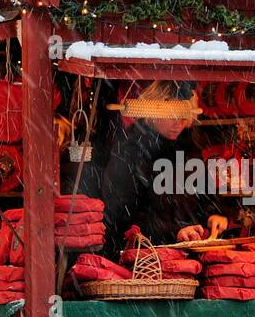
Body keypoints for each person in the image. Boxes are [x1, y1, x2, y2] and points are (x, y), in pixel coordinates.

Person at [79, 81, 229, 257]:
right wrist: (174, 232)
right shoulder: (130, 151)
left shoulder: (188, 149)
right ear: (152, 111)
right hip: (142, 259)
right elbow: (122, 214)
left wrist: (213, 215)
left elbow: (205, 196)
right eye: (172, 115)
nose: (179, 123)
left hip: (187, 258)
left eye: (184, 116)